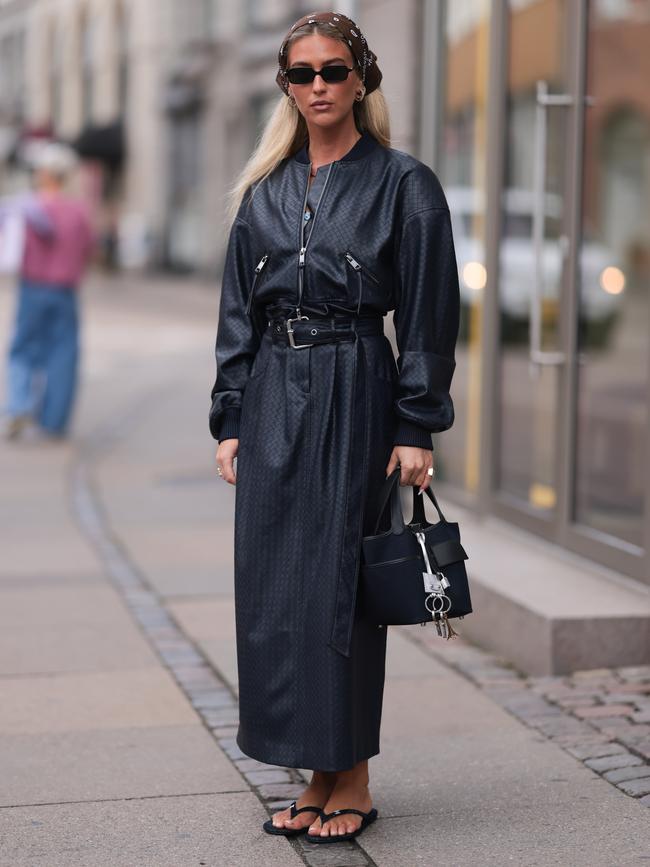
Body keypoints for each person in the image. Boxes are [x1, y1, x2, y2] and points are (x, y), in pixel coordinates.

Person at [209, 11, 460, 844]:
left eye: (333, 70)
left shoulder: (405, 185)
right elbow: (238, 314)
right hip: (276, 391)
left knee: (338, 588)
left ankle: (348, 775)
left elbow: (428, 316)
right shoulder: (264, 192)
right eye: (302, 73)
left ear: (362, 78)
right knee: (274, 588)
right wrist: (231, 415)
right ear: (285, 85)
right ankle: (311, 771)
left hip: (357, 387)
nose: (318, 85)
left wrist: (417, 424)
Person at [2, 142, 95, 440]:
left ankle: (19, 407)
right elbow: (88, 250)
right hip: (65, 292)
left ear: (43, 174)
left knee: (24, 350)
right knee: (63, 354)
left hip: (33, 288)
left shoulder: (25, 208)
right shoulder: (78, 211)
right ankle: (53, 421)